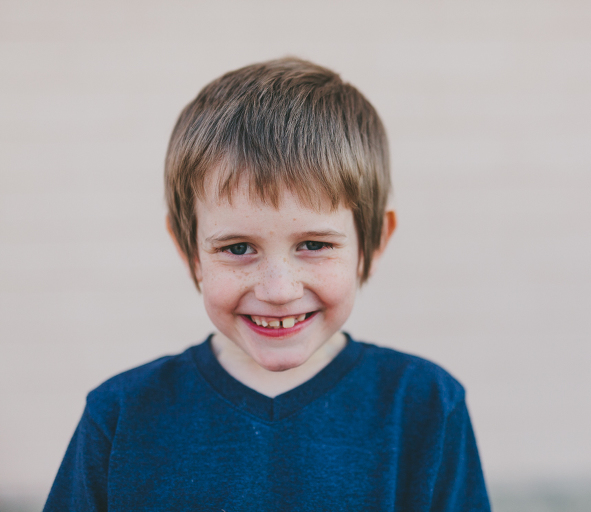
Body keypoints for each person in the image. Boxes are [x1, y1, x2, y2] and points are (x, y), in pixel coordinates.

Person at [43, 57, 490, 511]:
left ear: (372, 245)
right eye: (238, 248)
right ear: (189, 253)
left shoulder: (426, 407)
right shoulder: (121, 417)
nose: (279, 290)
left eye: (313, 244)